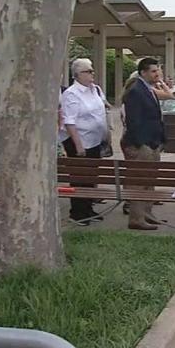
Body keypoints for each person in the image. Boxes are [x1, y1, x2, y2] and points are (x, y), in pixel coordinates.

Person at [59, 58, 109, 224]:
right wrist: (78, 145)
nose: (91, 74)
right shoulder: (72, 94)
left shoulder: (95, 90)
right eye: (87, 71)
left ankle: (88, 208)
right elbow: (69, 121)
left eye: (92, 70)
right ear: (77, 75)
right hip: (78, 141)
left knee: (91, 177)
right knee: (80, 177)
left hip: (94, 139)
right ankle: (77, 212)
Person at [121, 57, 166, 231]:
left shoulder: (150, 89)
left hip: (154, 143)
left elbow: (155, 117)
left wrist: (160, 140)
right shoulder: (135, 91)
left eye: (158, 70)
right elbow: (134, 121)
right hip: (141, 145)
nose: (157, 74)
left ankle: (148, 213)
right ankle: (137, 218)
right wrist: (142, 144)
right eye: (153, 71)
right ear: (143, 72)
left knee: (150, 181)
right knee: (139, 182)